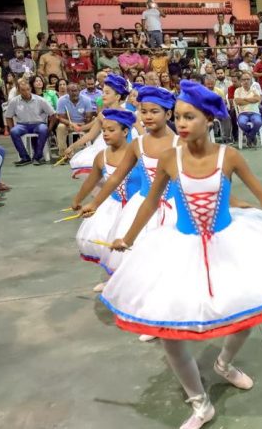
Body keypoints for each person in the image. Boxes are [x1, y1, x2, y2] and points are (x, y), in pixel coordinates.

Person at [97, 80, 262, 429]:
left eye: (189, 116)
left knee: (246, 315)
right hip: (179, 248)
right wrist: (128, 237)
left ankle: (223, 364)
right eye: (178, 117)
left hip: (229, 244)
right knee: (171, 337)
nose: (182, 124)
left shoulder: (229, 156)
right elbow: (149, 202)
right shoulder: (169, 159)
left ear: (210, 119)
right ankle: (200, 403)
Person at [81, 86, 178, 291]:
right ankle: (121, 282)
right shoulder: (138, 144)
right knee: (133, 250)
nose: (148, 116)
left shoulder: (179, 143)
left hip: (175, 205)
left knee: (173, 253)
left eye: (155, 111)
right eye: (143, 111)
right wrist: (95, 203)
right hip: (143, 204)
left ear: (168, 114)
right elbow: (116, 176)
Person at [71, 109, 139, 277]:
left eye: (111, 130)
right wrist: (78, 199)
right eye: (103, 131)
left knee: (136, 247)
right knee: (112, 246)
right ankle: (113, 281)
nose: (105, 134)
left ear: (125, 131)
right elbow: (91, 181)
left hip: (136, 207)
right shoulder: (102, 156)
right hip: (113, 207)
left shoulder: (138, 153)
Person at [64, 74, 140, 178]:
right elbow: (90, 135)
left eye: (107, 93)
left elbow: (142, 134)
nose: (103, 95)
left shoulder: (129, 114)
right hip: (105, 146)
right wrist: (72, 146)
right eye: (103, 92)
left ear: (117, 96)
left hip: (126, 149)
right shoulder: (102, 114)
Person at [6, 80, 56, 166]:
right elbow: (8, 116)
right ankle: (25, 157)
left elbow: (53, 114)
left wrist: (50, 128)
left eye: (28, 89)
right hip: (22, 125)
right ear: (19, 90)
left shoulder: (40, 100)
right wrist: (11, 128)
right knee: (14, 131)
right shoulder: (14, 101)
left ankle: (37, 157)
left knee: (44, 130)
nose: (26, 92)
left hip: (38, 124)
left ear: (31, 89)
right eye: (23, 90)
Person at [56, 82, 95, 158]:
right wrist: (72, 124)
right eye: (71, 91)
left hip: (83, 124)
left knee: (95, 125)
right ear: (67, 91)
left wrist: (84, 124)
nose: (74, 93)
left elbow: (89, 117)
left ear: (79, 90)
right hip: (69, 124)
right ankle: (63, 155)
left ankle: (92, 153)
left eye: (76, 90)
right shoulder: (61, 100)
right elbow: (61, 118)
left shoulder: (86, 100)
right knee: (60, 127)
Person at [233, 71, 262, 147]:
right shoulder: (237, 90)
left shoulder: (254, 89)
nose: (246, 81)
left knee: (258, 122)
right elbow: (238, 102)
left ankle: (249, 136)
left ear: (251, 80)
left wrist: (244, 99)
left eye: (248, 79)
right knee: (241, 123)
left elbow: (257, 99)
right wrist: (251, 100)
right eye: (244, 79)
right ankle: (253, 136)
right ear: (240, 81)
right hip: (243, 113)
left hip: (255, 112)